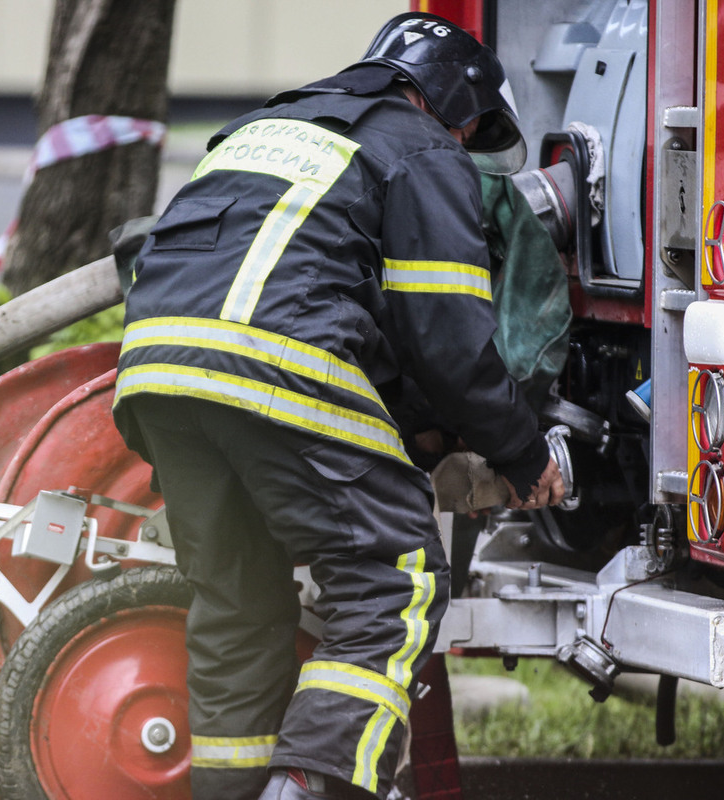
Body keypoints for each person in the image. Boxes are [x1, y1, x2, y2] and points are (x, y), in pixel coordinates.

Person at [112, 12, 565, 800]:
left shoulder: (261, 127)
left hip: (157, 374)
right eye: (471, 129)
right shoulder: (423, 150)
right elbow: (450, 342)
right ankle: (310, 791)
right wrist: (523, 453)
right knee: (393, 581)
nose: (467, 143)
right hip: (271, 367)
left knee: (237, 598)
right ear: (453, 105)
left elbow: (312, 283)